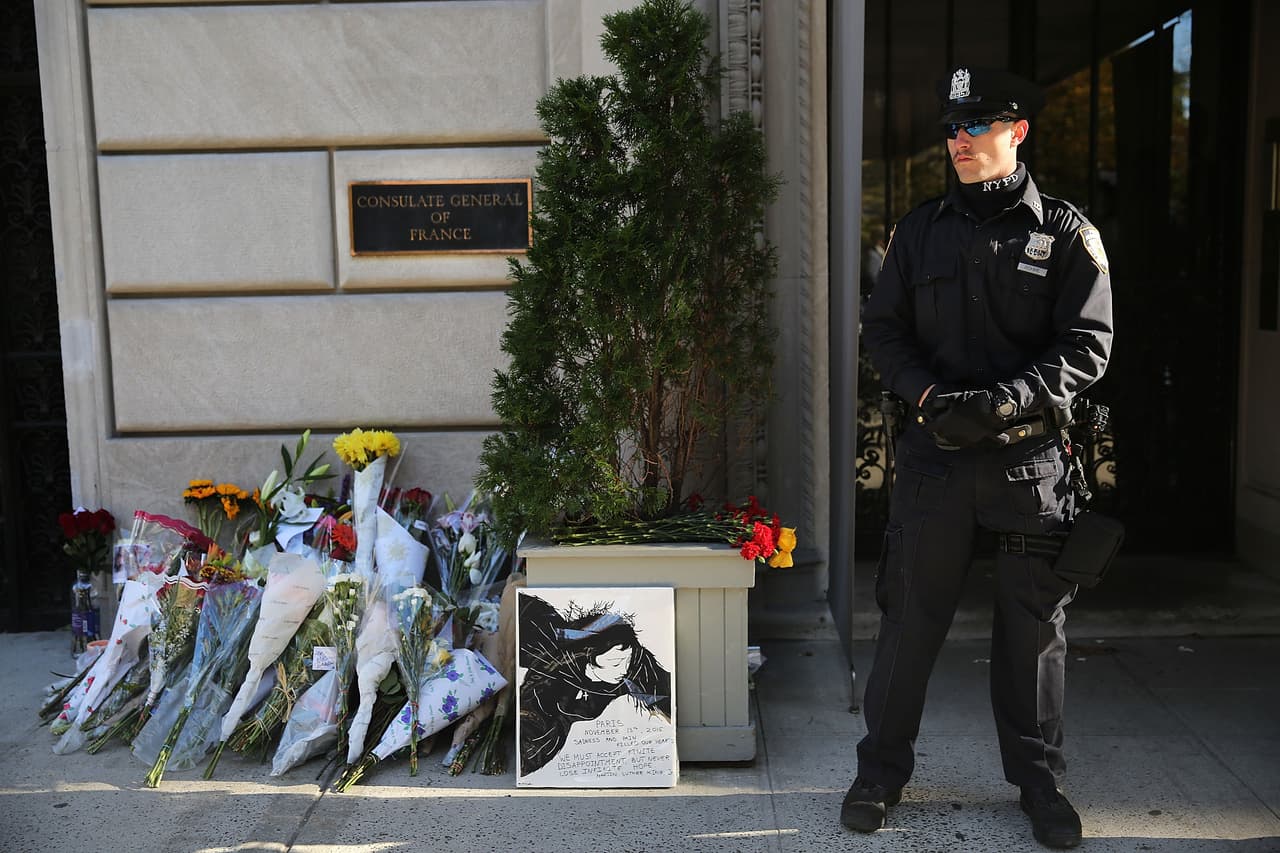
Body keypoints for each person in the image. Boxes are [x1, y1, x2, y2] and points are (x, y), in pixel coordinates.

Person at [843, 66, 1113, 850]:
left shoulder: (1063, 232)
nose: (957, 140)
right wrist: (929, 398)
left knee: (1031, 633)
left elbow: (1089, 345)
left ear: (1016, 130)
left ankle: (1040, 784)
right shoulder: (919, 230)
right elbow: (883, 330)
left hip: (1028, 465)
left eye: (976, 124)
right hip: (935, 461)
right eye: (951, 126)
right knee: (908, 623)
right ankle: (880, 773)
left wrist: (1008, 399)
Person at [517, 593, 672, 775]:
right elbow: (530, 739)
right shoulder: (552, 678)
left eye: (626, 662)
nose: (623, 670)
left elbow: (662, 694)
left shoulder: (627, 663)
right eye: (615, 663)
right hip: (554, 743)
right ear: (590, 658)